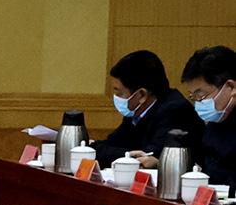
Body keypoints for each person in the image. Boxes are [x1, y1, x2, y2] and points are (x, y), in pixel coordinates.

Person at [92, 49, 198, 167]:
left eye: (119, 93)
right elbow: (102, 147)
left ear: (141, 94)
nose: (115, 98)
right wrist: (127, 154)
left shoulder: (175, 111)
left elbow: (148, 157)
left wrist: (125, 155)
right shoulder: (135, 111)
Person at [178, 45, 235, 187]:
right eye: (193, 97)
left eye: (201, 95)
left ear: (231, 87)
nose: (198, 103)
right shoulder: (217, 118)